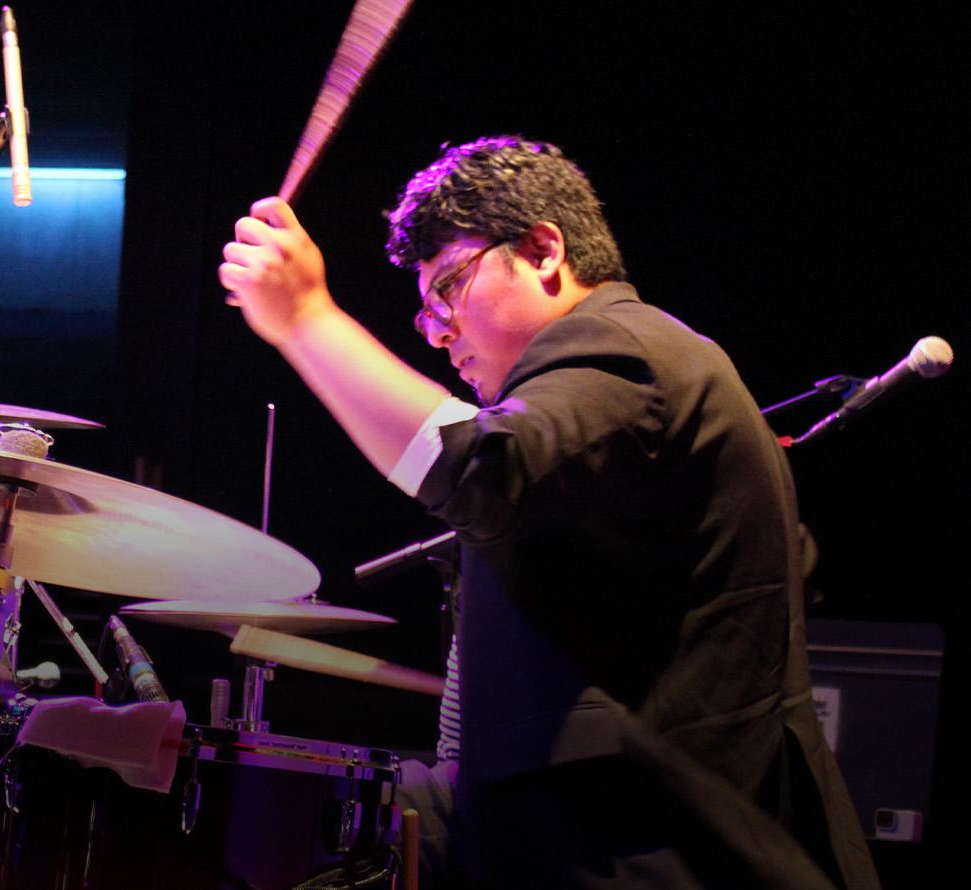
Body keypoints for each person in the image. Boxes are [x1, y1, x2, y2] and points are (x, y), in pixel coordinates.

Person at [218, 136, 877, 888]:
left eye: (449, 289)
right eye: (424, 309)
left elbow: (479, 469)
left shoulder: (626, 350)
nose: (436, 331)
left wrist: (306, 318)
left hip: (668, 857)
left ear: (542, 251)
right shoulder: (614, 407)